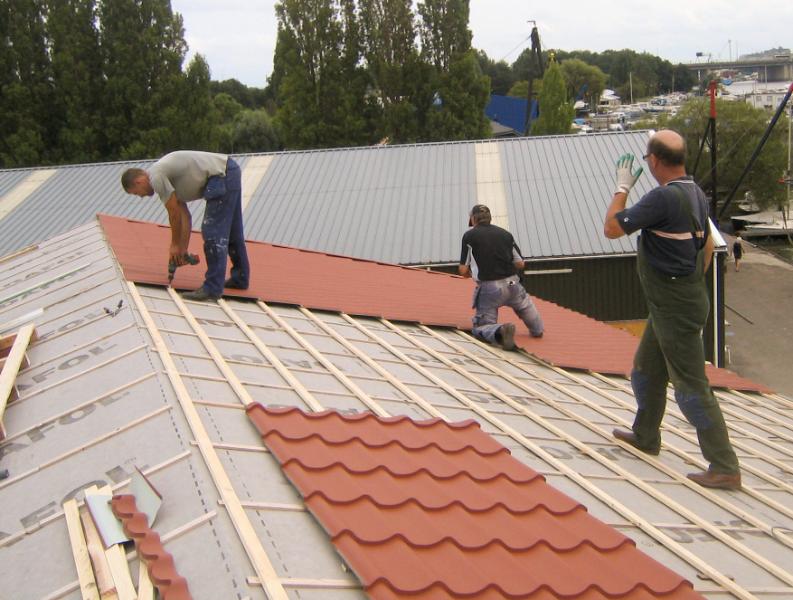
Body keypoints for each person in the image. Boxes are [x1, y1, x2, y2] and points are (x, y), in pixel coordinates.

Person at [603, 129, 741, 491]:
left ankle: (724, 465)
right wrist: (688, 283)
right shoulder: (695, 193)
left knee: (691, 387)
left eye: (648, 159)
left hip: (675, 307)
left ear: (655, 161)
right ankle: (645, 434)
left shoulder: (663, 199)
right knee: (645, 370)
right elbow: (708, 246)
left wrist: (621, 188)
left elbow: (612, 229)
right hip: (677, 302)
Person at [122, 151, 250, 301]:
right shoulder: (165, 177)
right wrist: (182, 249)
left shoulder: (156, 177)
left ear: (138, 182)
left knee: (212, 232)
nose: (141, 196)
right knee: (233, 233)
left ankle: (212, 288)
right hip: (228, 171)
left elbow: (174, 214)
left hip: (221, 175)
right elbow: (185, 217)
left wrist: (175, 245)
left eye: (137, 193)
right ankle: (240, 278)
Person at [459, 204, 544, 350]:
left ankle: (500, 331)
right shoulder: (505, 234)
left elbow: (463, 270)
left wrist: (470, 273)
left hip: (490, 287)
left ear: (473, 219)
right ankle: (537, 329)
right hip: (512, 282)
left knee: (482, 326)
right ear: (489, 218)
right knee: (524, 305)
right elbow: (520, 264)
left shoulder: (470, 236)